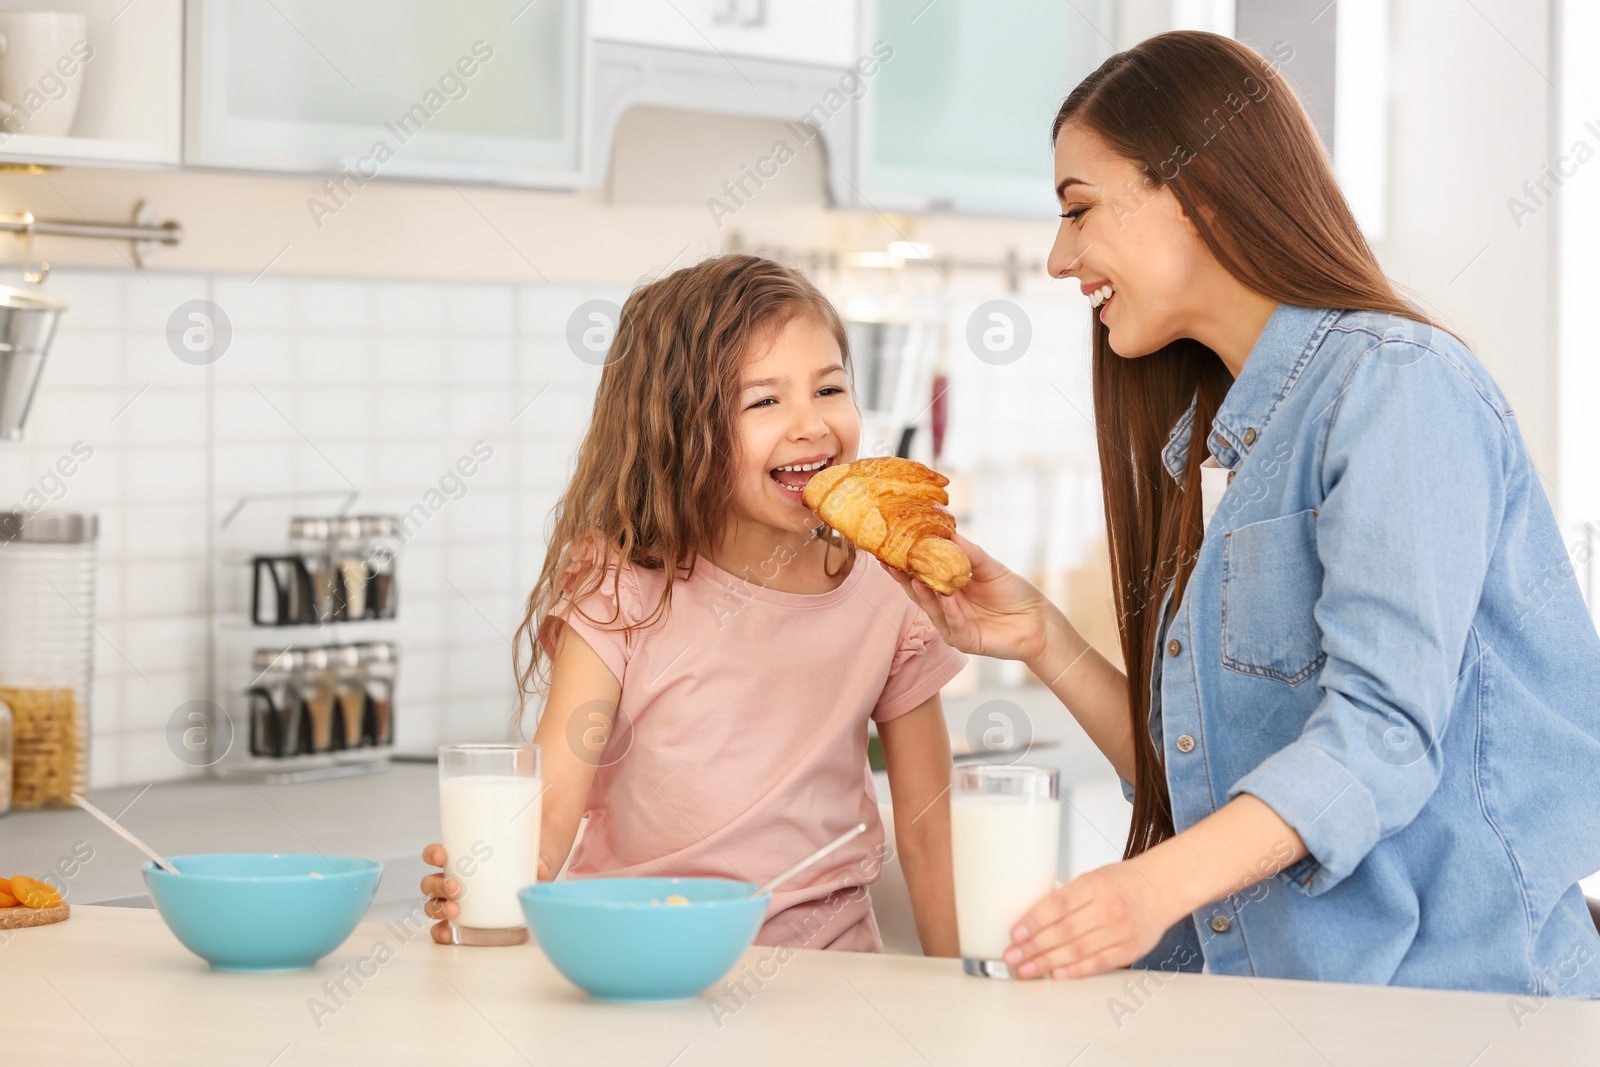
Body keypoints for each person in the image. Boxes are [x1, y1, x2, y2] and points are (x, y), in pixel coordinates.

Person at [884, 31, 1600, 996]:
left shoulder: (1399, 388)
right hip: (1276, 1008)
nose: (1059, 258)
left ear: (1201, 192)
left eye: (1079, 210)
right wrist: (1043, 639)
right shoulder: (1228, 442)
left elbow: (1379, 739)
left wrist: (1145, 891)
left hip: (1451, 1013)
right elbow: (1208, 777)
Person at [422, 254, 963, 954]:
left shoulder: (888, 592)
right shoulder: (623, 586)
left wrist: (965, 999)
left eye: (829, 389)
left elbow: (930, 830)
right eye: (764, 401)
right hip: (636, 955)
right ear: (682, 431)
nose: (811, 425)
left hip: (827, 972)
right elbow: (552, 802)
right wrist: (490, 895)